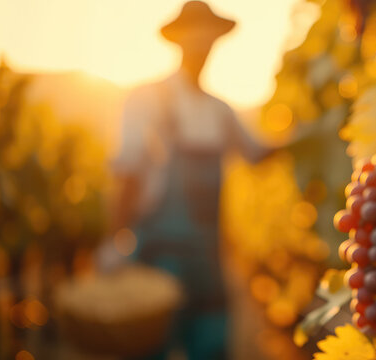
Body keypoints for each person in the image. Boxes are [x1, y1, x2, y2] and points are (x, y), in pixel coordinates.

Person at [111, 2, 274, 359]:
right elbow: (128, 172)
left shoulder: (220, 111)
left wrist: (314, 133)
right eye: (195, 35)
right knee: (150, 347)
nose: (203, 44)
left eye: (208, 37)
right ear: (179, 41)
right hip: (158, 256)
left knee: (212, 345)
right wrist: (113, 241)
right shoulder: (149, 99)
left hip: (207, 258)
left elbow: (258, 153)